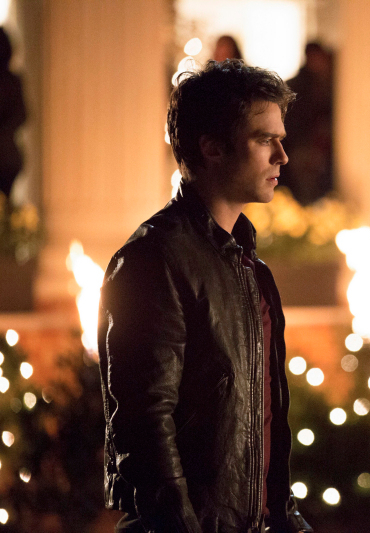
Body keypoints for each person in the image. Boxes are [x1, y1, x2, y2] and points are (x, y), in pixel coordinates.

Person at [98, 60, 312, 533]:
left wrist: (286, 518)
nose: (282, 156)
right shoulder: (154, 259)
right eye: (264, 139)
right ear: (212, 147)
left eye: (281, 139)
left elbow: (263, 422)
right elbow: (145, 426)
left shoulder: (250, 266)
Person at [281, 42, 334, 205]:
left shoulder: (320, 83)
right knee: (306, 189)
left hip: (307, 146)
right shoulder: (304, 86)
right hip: (302, 146)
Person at [0, 27, 26, 197]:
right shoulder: (13, 81)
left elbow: (22, 115)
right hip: (8, 155)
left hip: (6, 157)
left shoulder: (12, 82)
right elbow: (22, 115)